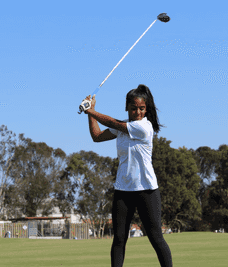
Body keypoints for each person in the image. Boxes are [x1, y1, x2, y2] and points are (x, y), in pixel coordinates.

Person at [84, 84, 173, 267]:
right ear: (127, 108)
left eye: (142, 109)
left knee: (156, 237)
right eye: (134, 109)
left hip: (147, 190)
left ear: (146, 110)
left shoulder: (144, 127)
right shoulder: (123, 127)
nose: (138, 112)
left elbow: (113, 123)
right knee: (119, 239)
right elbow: (97, 136)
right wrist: (89, 114)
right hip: (123, 190)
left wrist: (91, 110)